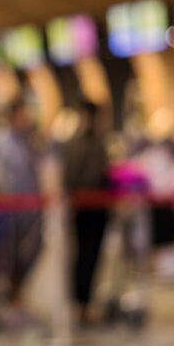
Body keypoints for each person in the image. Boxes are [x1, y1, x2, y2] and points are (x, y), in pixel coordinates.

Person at [63, 101, 111, 327]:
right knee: (84, 257)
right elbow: (77, 177)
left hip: (94, 209)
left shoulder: (94, 142)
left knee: (89, 258)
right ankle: (80, 303)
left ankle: (84, 302)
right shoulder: (83, 144)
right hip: (86, 210)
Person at [0, 100, 44, 305]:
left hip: (30, 207)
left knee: (33, 248)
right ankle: (13, 296)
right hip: (11, 208)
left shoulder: (28, 142)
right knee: (11, 254)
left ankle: (18, 294)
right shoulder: (2, 143)